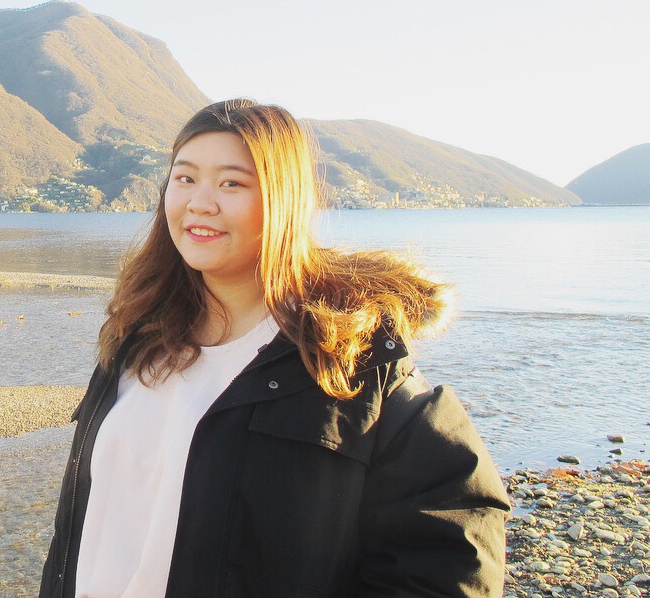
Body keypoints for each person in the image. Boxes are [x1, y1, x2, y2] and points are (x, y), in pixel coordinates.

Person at [40, 99, 510, 598]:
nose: (200, 202)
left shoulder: (348, 363)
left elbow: (452, 547)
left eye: (232, 184)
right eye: (185, 178)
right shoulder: (136, 341)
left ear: (282, 200)